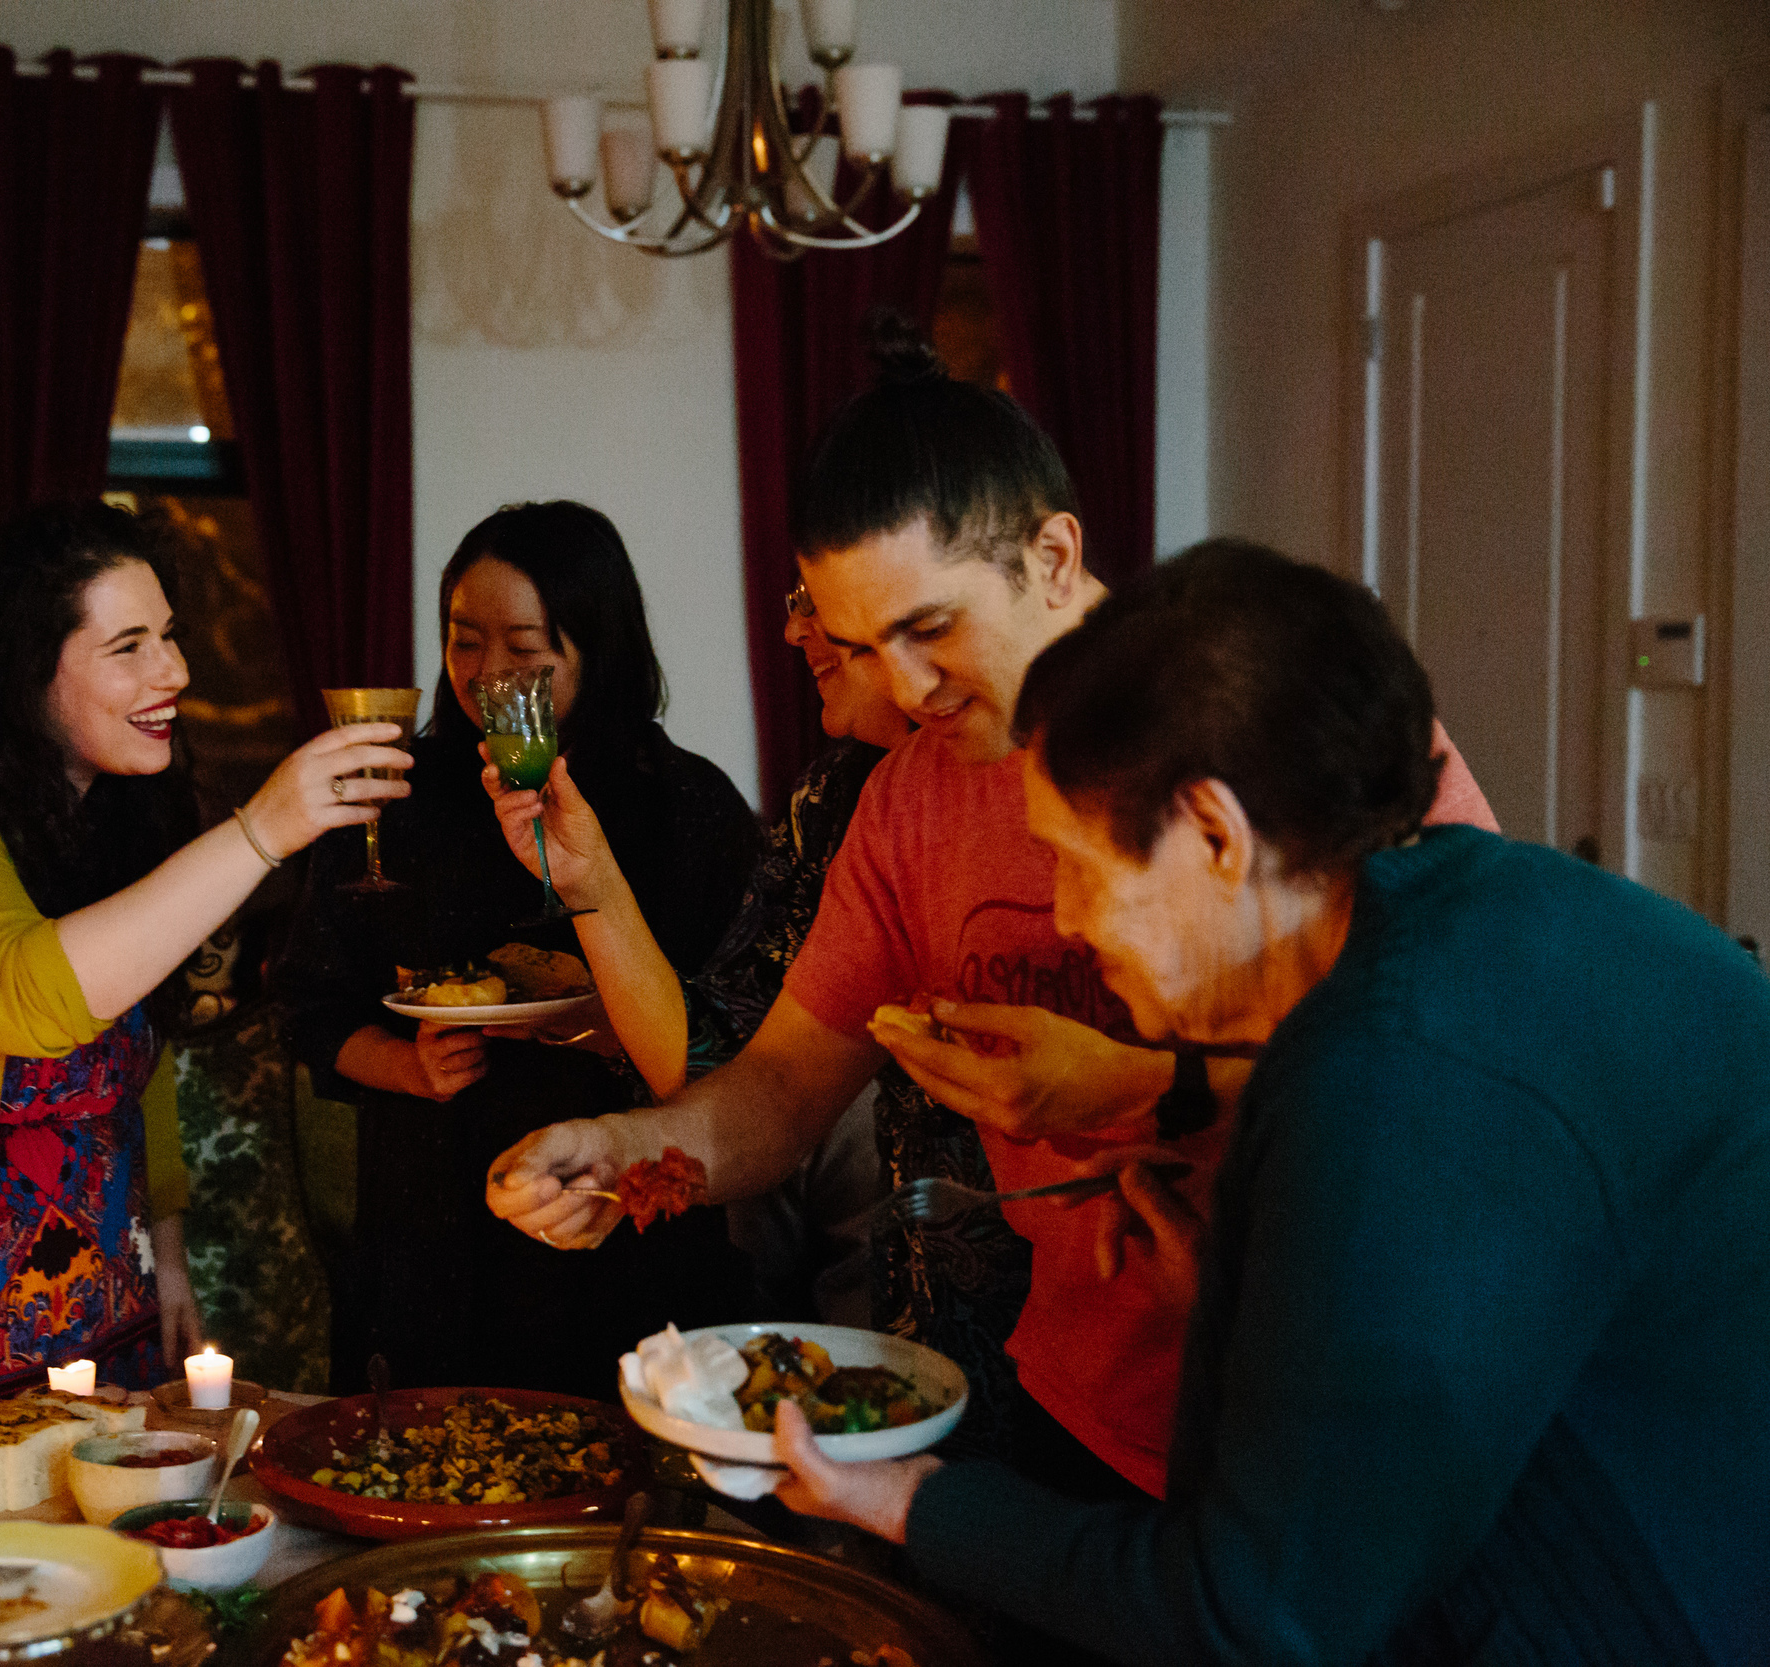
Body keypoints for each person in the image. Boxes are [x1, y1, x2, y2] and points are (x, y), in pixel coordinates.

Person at [489, 330, 1495, 1508]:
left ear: (1053, 554)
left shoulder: (1277, 706)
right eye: (864, 646)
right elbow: (777, 1092)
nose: (907, 688)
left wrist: (1134, 1081)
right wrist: (620, 1151)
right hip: (1067, 1402)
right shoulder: (909, 794)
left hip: (1322, 1397)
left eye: (932, 628)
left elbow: (1465, 1052)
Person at [771, 539, 1770, 1665]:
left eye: (1080, 864)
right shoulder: (1453, 914)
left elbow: (1258, 1614)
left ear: (1213, 833)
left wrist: (903, 1498)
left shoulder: (1401, 1069)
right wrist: (1252, 1300)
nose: (1063, 918)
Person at [0, 501, 410, 1404]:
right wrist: (264, 829)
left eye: (171, 637)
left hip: (107, 1323)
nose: (176, 671)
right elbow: (23, 999)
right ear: (25, 669)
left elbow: (137, 1060)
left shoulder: (100, 819)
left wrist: (173, 1258)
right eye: (130, 647)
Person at [482, 578, 1031, 1446]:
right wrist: (591, 887)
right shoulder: (847, 795)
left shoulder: (1083, 769)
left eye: (818, 597)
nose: (791, 627)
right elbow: (739, 1077)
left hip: (1083, 1321)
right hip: (896, 1302)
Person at [275, 500, 758, 1398]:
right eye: (464, 641)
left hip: (623, 1229)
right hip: (429, 1229)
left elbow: (741, 1055)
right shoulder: (397, 801)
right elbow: (309, 1005)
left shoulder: (684, 806)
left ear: (597, 646)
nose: (487, 674)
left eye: (525, 650)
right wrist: (404, 1064)